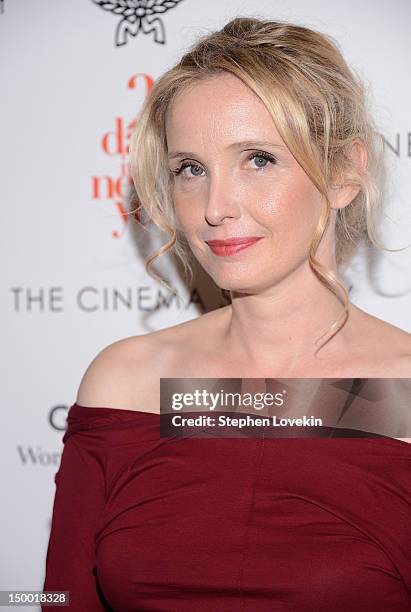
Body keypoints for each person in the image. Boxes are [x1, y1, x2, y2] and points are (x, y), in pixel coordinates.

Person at [42, 16, 411, 611]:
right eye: (191, 169)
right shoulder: (127, 382)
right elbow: (60, 598)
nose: (214, 208)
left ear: (345, 172)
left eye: (258, 159)